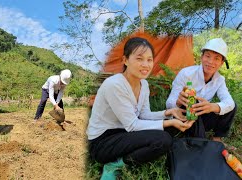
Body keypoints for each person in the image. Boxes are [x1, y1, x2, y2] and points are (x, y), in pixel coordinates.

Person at [86, 37, 194, 180]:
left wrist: (169, 113)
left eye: (149, 60)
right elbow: (132, 125)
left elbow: (144, 114)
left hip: (124, 131)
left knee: (173, 122)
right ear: (125, 60)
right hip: (103, 142)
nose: (145, 64)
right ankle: (115, 164)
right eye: (139, 59)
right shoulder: (114, 85)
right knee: (163, 139)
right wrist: (169, 122)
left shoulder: (144, 85)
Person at [166, 38, 236, 143]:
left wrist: (213, 107)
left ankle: (217, 138)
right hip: (183, 116)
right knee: (192, 101)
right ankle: (199, 141)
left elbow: (229, 103)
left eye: (216, 58)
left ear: (221, 63)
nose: (210, 62)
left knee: (232, 106)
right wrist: (177, 102)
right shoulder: (186, 74)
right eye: (207, 56)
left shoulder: (220, 80)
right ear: (201, 57)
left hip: (203, 118)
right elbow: (169, 104)